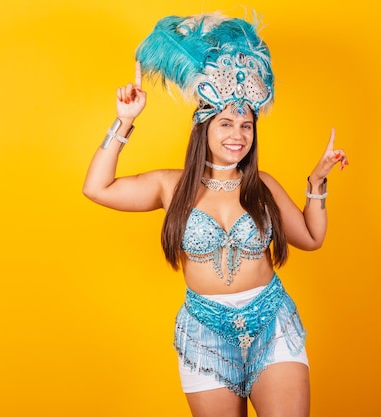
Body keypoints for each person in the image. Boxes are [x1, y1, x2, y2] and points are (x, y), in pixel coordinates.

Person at [83, 13, 348, 417]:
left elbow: (312, 238)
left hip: (271, 323)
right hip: (204, 334)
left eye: (246, 125)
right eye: (226, 123)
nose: (237, 135)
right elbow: (97, 188)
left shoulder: (263, 185)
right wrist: (124, 122)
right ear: (203, 127)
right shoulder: (170, 187)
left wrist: (317, 181)